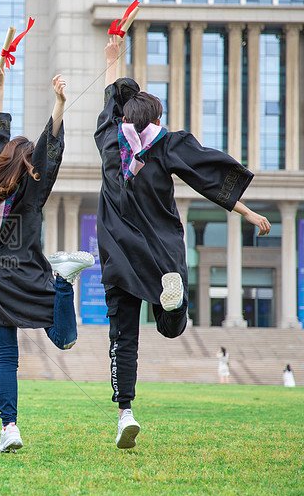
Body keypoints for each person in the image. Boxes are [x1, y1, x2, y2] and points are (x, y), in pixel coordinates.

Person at [97, 36, 272, 450]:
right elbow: (210, 177)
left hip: (120, 255)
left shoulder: (109, 141)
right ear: (156, 118)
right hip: (162, 254)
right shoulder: (168, 144)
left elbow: (108, 101)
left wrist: (112, 59)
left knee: (123, 336)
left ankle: (126, 412)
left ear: (121, 116)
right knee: (171, 327)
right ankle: (173, 307)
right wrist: (247, 212)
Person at [0, 64, 94, 454]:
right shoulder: (31, 193)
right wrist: (58, 106)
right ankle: (64, 282)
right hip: (28, 272)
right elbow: (47, 153)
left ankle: (10, 427)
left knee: (6, 357)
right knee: (64, 340)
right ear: (28, 166)